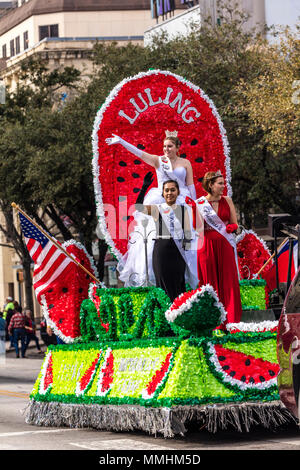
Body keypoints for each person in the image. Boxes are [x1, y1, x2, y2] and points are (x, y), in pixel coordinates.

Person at [105, 131, 197, 286]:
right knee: (151, 235)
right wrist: (121, 141)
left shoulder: (186, 163)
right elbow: (139, 153)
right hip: (160, 199)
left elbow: (190, 185)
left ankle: (186, 273)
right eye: (164, 146)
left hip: (181, 199)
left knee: (185, 236)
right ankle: (151, 275)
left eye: (170, 146)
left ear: (177, 147)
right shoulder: (158, 160)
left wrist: (194, 206)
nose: (166, 149)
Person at [135, 177, 198, 301]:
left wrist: (188, 255)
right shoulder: (156, 209)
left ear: (178, 192)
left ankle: (179, 312)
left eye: (173, 190)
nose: (169, 193)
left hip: (178, 253)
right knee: (163, 285)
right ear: (163, 193)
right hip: (161, 252)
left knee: (178, 284)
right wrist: (144, 188)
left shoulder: (183, 209)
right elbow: (138, 207)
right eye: (167, 190)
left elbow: (187, 234)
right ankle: (164, 315)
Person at [195, 170, 242, 327]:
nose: (223, 186)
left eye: (224, 183)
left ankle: (232, 321)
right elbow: (198, 230)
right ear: (210, 185)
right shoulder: (200, 203)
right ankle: (213, 323)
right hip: (207, 246)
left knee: (228, 282)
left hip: (225, 245)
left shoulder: (227, 200)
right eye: (220, 183)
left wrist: (233, 227)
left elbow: (237, 226)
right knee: (210, 283)